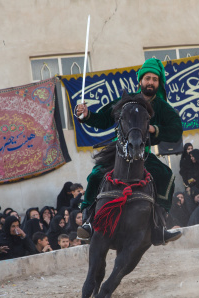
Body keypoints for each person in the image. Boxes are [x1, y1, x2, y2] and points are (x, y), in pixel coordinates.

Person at [75, 58, 183, 245]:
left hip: (143, 153)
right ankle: (88, 222)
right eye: (147, 78)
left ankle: (159, 226)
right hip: (119, 151)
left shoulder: (163, 108)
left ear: (159, 83)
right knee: (95, 176)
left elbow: (176, 130)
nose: (150, 82)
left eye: (155, 79)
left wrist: (154, 130)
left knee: (167, 176)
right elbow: (102, 119)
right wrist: (86, 115)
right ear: (140, 81)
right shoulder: (126, 101)